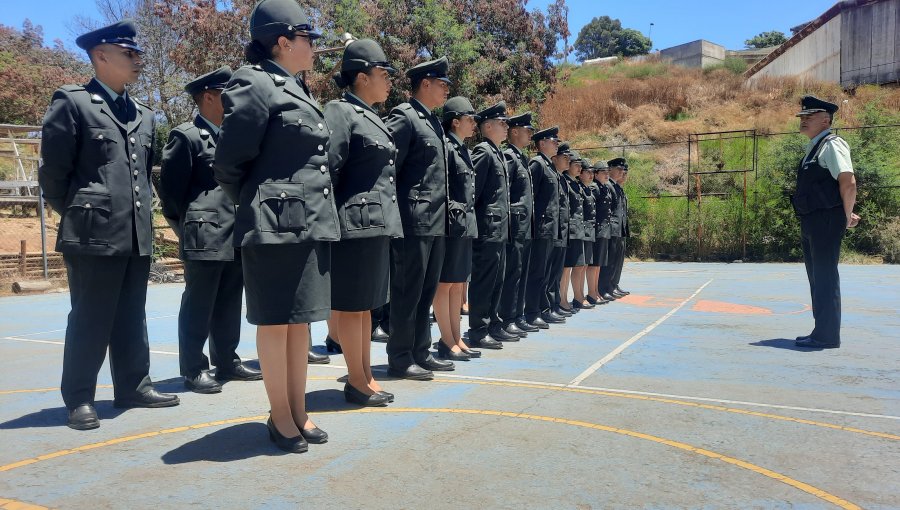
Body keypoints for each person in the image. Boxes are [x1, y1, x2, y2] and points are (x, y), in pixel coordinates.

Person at [39, 20, 179, 430]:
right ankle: (79, 398)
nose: (138, 61)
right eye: (129, 54)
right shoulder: (74, 102)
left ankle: (133, 385)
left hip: (135, 229)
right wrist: (82, 212)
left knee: (131, 313)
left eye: (138, 54)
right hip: (92, 232)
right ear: (101, 55)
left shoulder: (143, 113)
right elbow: (54, 175)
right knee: (90, 316)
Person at [214, 0, 337, 453]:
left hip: (308, 222)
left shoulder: (297, 87)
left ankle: (298, 411)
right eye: (308, 39)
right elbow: (229, 162)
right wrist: (260, 203)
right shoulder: (255, 82)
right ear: (283, 41)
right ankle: (279, 415)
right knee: (276, 321)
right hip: (273, 225)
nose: (313, 47)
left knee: (300, 322)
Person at [160, 66, 262, 395]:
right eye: (226, 95)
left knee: (230, 300)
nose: (233, 101)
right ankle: (193, 368)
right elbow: (172, 194)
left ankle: (227, 360)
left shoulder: (232, 137)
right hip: (204, 235)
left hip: (235, 233)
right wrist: (187, 228)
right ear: (208, 97)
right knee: (199, 303)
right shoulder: (187, 136)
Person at [322, 38, 403, 405]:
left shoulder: (373, 116)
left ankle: (365, 376)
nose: (389, 81)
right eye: (383, 73)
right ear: (361, 77)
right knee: (354, 307)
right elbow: (329, 170)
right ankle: (357, 380)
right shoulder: (340, 112)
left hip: (376, 223)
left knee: (366, 307)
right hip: (353, 225)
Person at [384, 56, 454, 380]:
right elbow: (389, 170)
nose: (446, 91)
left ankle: (420, 352)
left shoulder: (435, 122)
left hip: (436, 220)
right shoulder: (405, 116)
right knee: (407, 292)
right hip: (413, 220)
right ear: (424, 83)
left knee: (426, 292)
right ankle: (400, 357)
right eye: (442, 85)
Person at [792, 95, 859, 349]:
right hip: (813, 222)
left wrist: (845, 214)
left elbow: (848, 181)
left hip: (825, 223)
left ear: (825, 119)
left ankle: (827, 337)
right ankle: (821, 331)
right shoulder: (815, 147)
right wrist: (846, 212)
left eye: (809, 117)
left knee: (825, 278)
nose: (804, 121)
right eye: (802, 117)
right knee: (817, 278)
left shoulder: (832, 144)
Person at [433, 96, 480, 361]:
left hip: (464, 225)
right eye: (469, 119)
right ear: (455, 122)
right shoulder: (447, 147)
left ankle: (456, 337)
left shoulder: (462, 149)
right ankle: (445, 339)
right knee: (446, 284)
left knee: (456, 284)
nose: (474, 124)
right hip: (452, 224)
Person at [467, 101, 512, 348]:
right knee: (484, 281)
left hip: (499, 229)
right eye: (502, 123)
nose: (506, 127)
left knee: (497, 280)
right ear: (488, 125)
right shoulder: (484, 151)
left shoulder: (497, 153)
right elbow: (474, 193)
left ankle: (493, 323)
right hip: (487, 229)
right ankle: (478, 329)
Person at [499, 112, 537, 337]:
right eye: (527, 130)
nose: (530, 134)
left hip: (525, 226)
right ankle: (507, 317)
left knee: (521, 272)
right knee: (512, 273)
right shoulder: (510, 157)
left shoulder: (522, 158)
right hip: (515, 225)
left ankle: (516, 314)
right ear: (514, 132)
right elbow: (506, 193)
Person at [523, 127, 563, 328]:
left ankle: (543, 309)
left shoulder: (550, 166)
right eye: (553, 141)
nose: (556, 144)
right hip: (540, 227)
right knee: (537, 272)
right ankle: (532, 312)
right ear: (542, 144)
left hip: (550, 227)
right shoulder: (537, 164)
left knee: (546, 272)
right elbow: (531, 197)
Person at [559, 151, 587, 313]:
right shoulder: (565, 181)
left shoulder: (574, 183)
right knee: (566, 267)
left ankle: (574, 297)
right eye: (576, 165)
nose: (579, 169)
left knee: (577, 266)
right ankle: (562, 299)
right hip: (569, 230)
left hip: (577, 230)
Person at [547, 143, 572, 318]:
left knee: (556, 273)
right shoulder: (549, 173)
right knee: (547, 274)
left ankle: (554, 305)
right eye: (565, 158)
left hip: (560, 231)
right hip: (550, 230)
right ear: (554, 159)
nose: (568, 161)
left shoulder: (561, 178)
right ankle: (546, 307)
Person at [599, 158, 627, 301]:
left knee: (616, 261)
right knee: (609, 262)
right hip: (611, 229)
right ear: (610, 169)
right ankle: (604, 288)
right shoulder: (609, 186)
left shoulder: (616, 187)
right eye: (619, 169)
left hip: (619, 229)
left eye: (623, 170)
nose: (622, 172)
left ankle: (612, 285)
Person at [587, 161, 613, 305]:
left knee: (598, 264)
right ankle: (591, 293)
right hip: (596, 230)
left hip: (603, 231)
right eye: (603, 172)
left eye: (607, 172)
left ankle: (595, 291)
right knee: (594, 264)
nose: (606, 175)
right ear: (596, 174)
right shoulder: (594, 188)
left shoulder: (604, 188)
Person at [574, 160, 596, 309]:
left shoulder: (588, 189)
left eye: (591, 172)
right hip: (581, 230)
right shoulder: (579, 188)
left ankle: (581, 295)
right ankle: (578, 296)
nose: (591, 175)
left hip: (588, 231)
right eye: (587, 172)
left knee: (585, 265)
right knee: (578, 266)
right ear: (580, 174)